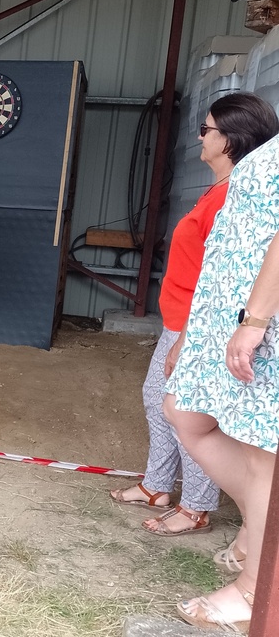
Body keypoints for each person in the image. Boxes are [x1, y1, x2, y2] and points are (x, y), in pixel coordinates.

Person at [109, 92, 279, 537]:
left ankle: (197, 505)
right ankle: (157, 485)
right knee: (159, 400)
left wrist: (187, 334)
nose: (199, 137)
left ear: (230, 140)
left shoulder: (233, 197)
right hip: (181, 320)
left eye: (206, 130)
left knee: (189, 410)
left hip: (195, 325)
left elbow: (222, 276)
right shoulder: (219, 190)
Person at [163, 115, 279, 631]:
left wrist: (255, 320)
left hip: (259, 320)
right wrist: (196, 328)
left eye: (208, 127)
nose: (199, 135)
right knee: (183, 412)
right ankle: (261, 528)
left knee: (263, 455)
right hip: (225, 317)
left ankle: (257, 589)